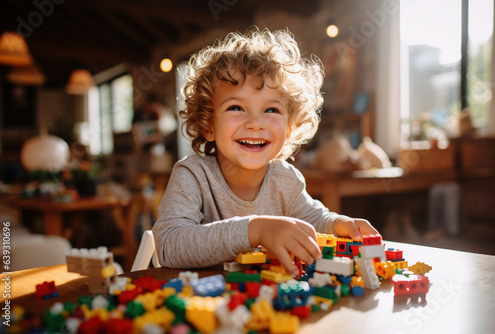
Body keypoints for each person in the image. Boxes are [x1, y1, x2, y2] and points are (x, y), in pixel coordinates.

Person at [153, 28, 380, 275]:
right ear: (208, 124)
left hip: (269, 304)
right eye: (236, 107)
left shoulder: (285, 179)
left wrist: (338, 224)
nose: (255, 123)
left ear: (290, 128)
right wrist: (255, 230)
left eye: (271, 110)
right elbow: (168, 246)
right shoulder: (193, 176)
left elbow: (312, 219)